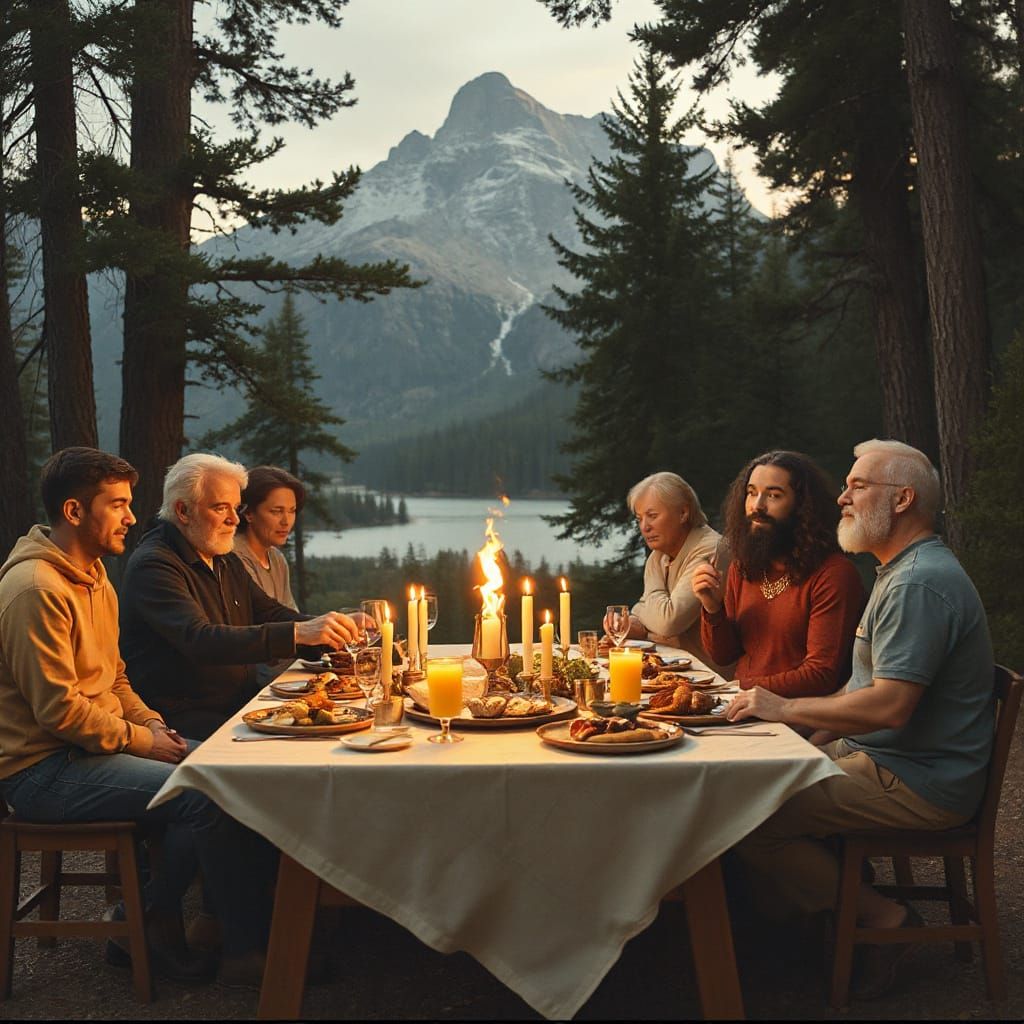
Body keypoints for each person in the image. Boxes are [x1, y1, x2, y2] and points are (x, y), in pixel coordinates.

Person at [727, 439, 995, 998]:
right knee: (757, 781)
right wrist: (808, 742)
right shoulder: (897, 572)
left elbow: (890, 706)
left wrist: (784, 709)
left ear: (902, 500)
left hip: (919, 780)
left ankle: (883, 920)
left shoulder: (918, 583)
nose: (842, 498)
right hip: (887, 757)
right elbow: (858, 688)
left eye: (858, 486)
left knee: (746, 815)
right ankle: (805, 927)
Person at [0, 447, 276, 986]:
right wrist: (141, 742)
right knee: (203, 793)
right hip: (42, 769)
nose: (131, 516)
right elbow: (58, 711)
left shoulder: (93, 575)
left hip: (88, 749)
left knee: (230, 773)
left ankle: (187, 927)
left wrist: (151, 725)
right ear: (75, 512)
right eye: (118, 504)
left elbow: (116, 677)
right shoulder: (37, 590)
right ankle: (198, 940)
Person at [120, 453, 357, 739]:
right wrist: (299, 633)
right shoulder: (155, 564)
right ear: (182, 511)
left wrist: (331, 629)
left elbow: (268, 612)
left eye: (236, 507)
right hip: (183, 718)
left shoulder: (220, 555)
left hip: (238, 703)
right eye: (221, 508)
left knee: (331, 728)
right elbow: (200, 640)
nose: (234, 519)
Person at [692, 450, 865, 696]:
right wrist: (711, 608)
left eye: (773, 495)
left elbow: (820, 675)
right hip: (744, 706)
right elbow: (724, 656)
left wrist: (738, 689)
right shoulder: (746, 563)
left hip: (796, 718)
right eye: (751, 493)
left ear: (802, 506)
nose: (757, 506)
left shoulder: (834, 574)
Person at [608, 471, 726, 671]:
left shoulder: (710, 549)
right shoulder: (662, 554)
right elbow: (647, 610)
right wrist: (630, 625)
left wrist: (646, 613)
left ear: (683, 513)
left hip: (712, 681)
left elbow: (668, 622)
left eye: (652, 516)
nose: (644, 527)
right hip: (676, 671)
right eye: (639, 519)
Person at [234, 465, 303, 611]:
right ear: (248, 513)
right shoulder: (234, 558)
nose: (286, 521)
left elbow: (291, 614)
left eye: (292, 511)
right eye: (276, 511)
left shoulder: (277, 559)